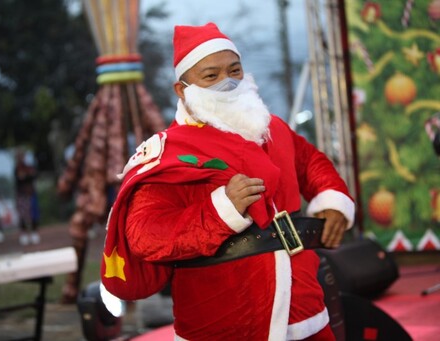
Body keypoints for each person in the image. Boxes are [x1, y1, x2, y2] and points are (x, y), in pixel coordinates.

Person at [101, 22, 355, 340]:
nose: (228, 83)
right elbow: (145, 235)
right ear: (182, 89)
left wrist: (333, 200)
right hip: (223, 318)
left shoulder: (272, 127)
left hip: (305, 310)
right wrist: (220, 210)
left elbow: (310, 162)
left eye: (234, 70)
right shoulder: (170, 152)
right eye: (211, 76)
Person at [14, 150, 41, 245]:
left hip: (31, 194)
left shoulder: (29, 167)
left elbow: (33, 176)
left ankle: (34, 233)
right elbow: (20, 178)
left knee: (34, 214)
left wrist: (27, 175)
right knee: (22, 215)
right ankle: (24, 234)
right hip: (22, 195)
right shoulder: (17, 168)